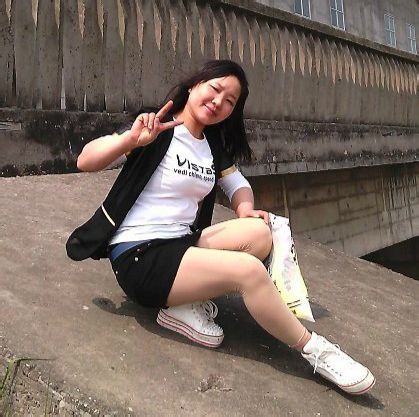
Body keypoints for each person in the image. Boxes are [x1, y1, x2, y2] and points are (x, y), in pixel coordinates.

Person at [67, 60, 375, 395]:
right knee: (248, 271)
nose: (218, 102)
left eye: (230, 101)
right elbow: (86, 160)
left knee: (259, 233)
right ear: (194, 85)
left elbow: (237, 184)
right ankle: (315, 350)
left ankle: (182, 304)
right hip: (140, 256)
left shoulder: (210, 144)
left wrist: (245, 210)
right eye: (215, 90)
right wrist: (130, 140)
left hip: (179, 245)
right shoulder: (157, 125)